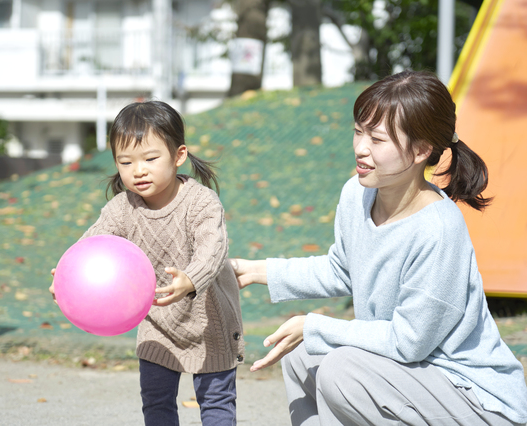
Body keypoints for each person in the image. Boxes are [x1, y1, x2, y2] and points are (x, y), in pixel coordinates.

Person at [230, 70, 527, 425]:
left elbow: (409, 341)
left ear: (421, 150)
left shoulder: (438, 229)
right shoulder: (357, 193)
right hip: (406, 372)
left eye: (377, 139)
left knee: (340, 369)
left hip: (473, 398)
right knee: (301, 355)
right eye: (358, 132)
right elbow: (341, 269)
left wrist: (316, 325)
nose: (360, 148)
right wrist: (255, 270)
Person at [49, 100, 245, 426]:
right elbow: (91, 245)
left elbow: (214, 248)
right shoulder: (122, 208)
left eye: (151, 159)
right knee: (156, 404)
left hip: (211, 324)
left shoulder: (201, 202)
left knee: (216, 405)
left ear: (178, 155)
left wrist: (190, 279)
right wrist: (66, 277)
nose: (138, 170)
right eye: (125, 162)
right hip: (156, 326)